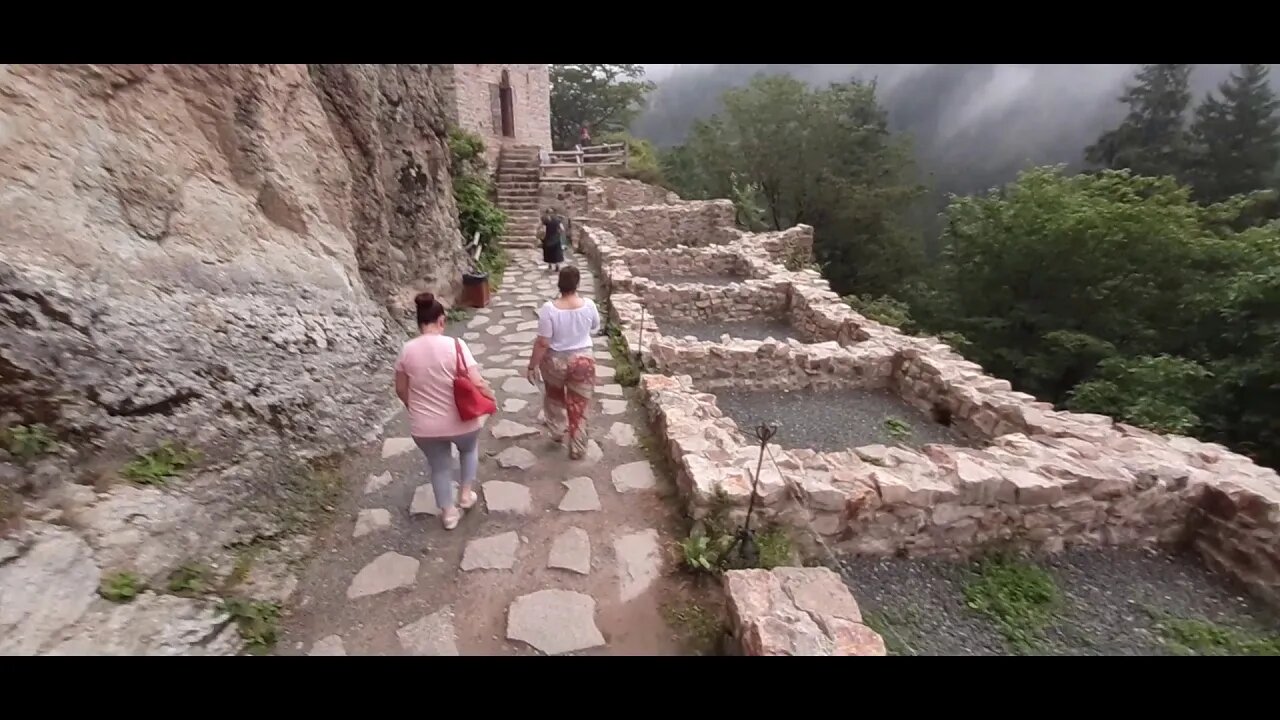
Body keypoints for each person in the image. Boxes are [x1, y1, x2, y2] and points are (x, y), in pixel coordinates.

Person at [394, 292, 495, 530]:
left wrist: (415, 408)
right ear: (441, 321)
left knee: (439, 466)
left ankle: (449, 514)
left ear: (419, 323)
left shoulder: (406, 350)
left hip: (425, 427)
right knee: (469, 449)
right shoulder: (456, 345)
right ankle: (466, 494)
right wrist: (491, 397)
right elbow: (477, 382)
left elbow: (400, 389)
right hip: (461, 421)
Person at [527, 266, 599, 460]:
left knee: (554, 396)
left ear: (559, 283)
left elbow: (543, 342)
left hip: (555, 361)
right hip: (583, 360)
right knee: (579, 405)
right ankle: (577, 446)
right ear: (577, 283)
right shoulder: (589, 305)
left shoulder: (549, 309)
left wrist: (532, 365)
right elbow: (595, 326)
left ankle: (557, 430)